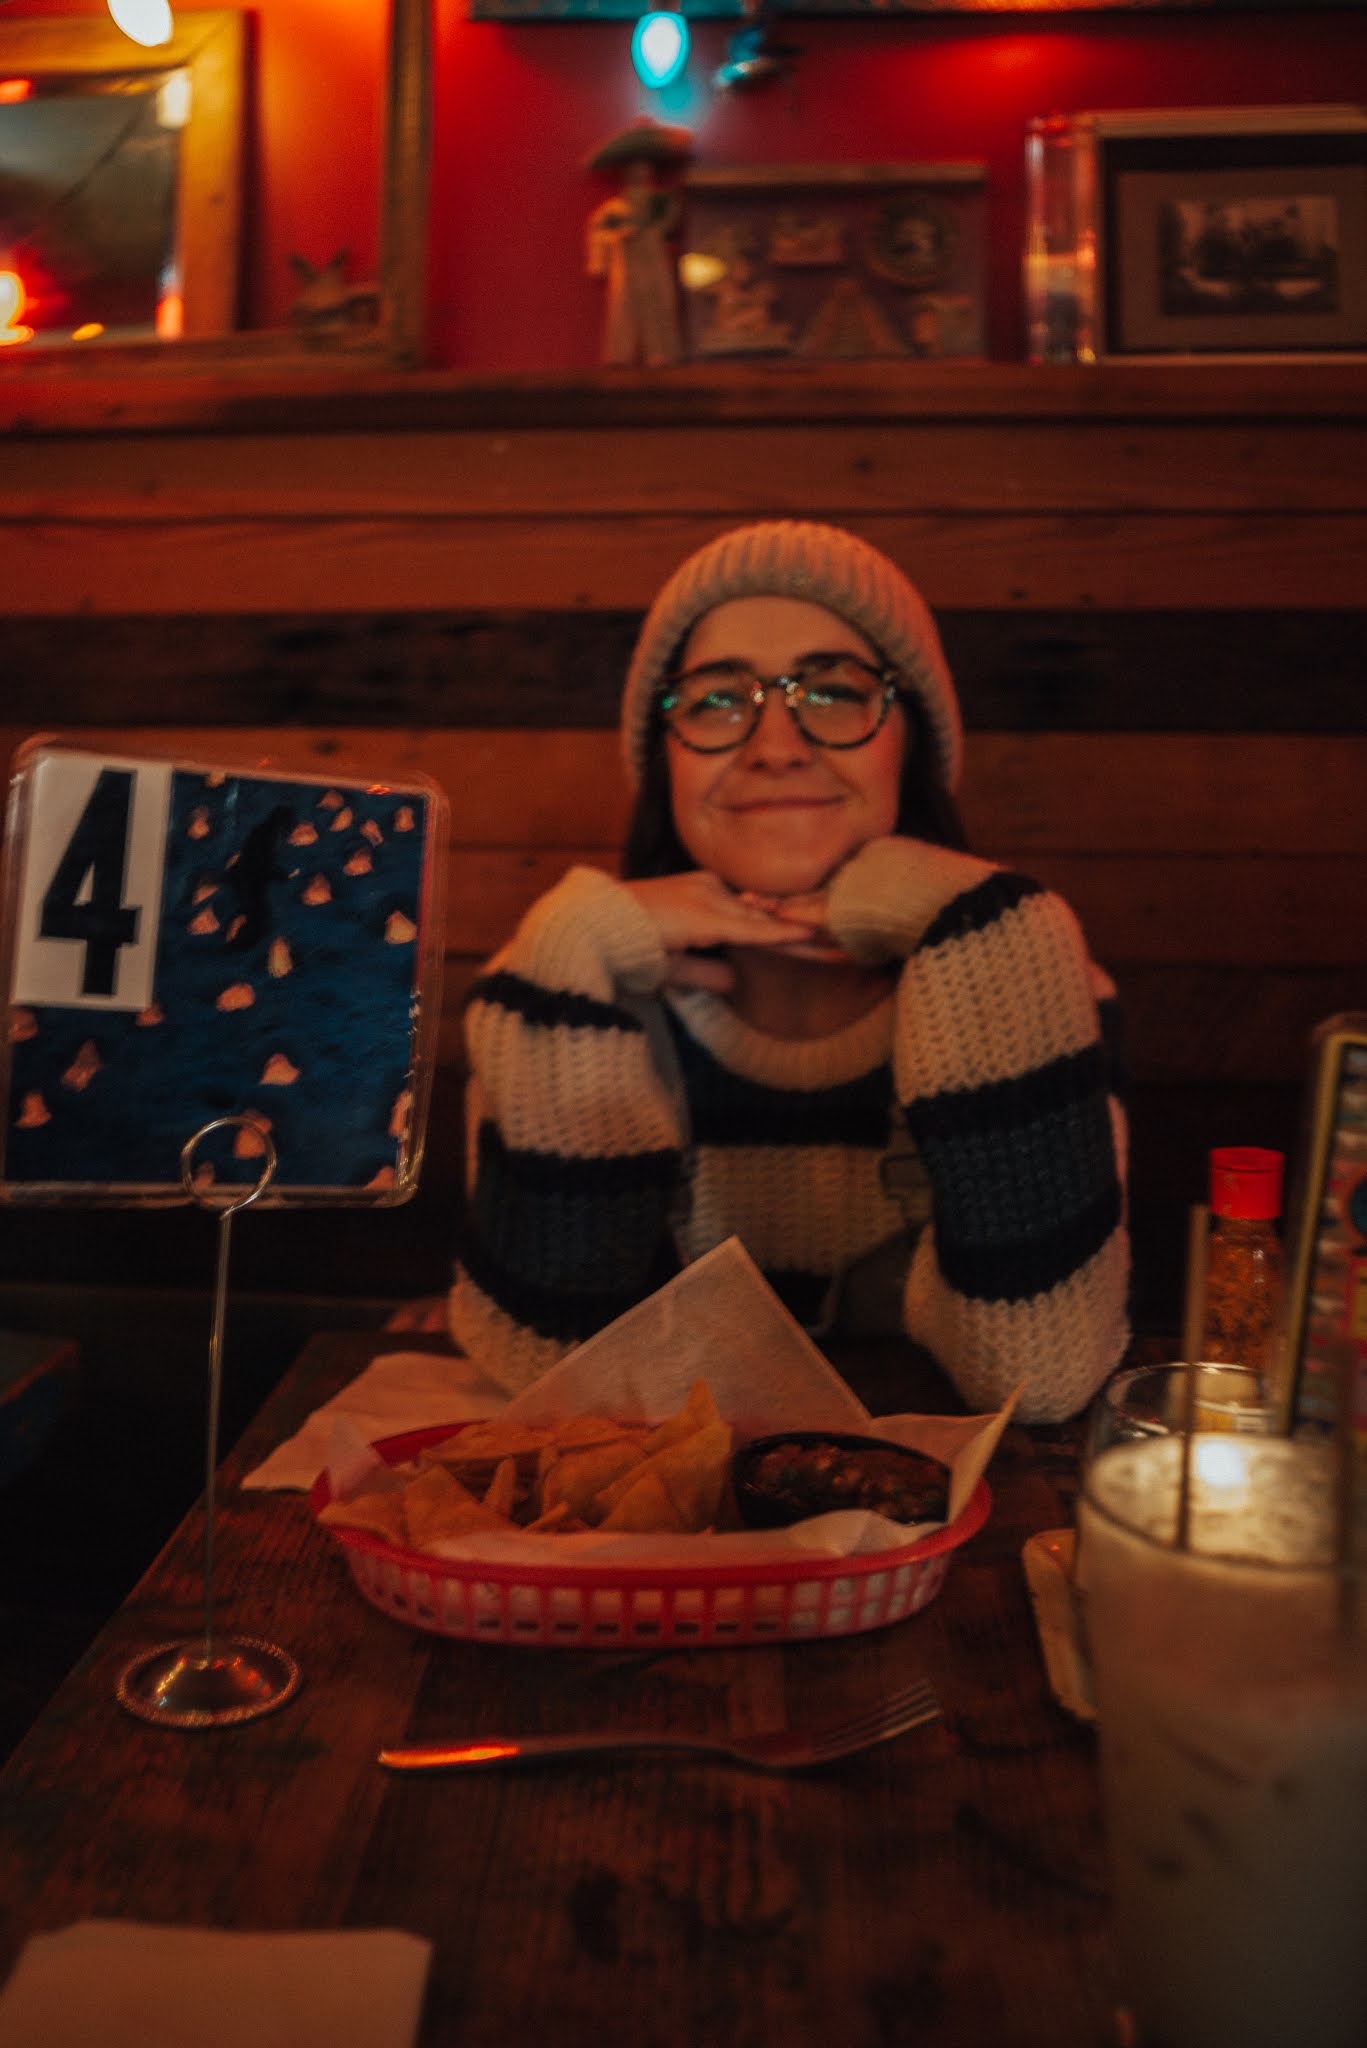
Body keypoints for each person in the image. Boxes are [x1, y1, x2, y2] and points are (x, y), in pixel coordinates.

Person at [448, 521, 1129, 1423]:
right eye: (716, 700)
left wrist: (992, 937)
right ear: (664, 759)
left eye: (835, 691)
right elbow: (552, 1374)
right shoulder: (560, 987)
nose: (775, 745)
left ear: (911, 745)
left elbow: (1037, 1376)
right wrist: (564, 955)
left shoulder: (1030, 978)